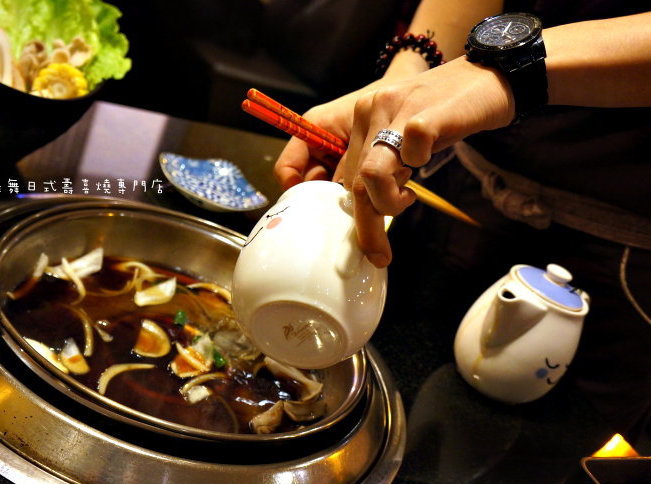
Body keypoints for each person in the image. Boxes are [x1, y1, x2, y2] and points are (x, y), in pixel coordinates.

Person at [273, 0, 651, 446]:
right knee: (375, 403)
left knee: (529, 454)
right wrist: (404, 80)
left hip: (618, 262)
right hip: (456, 184)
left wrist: (508, 70)